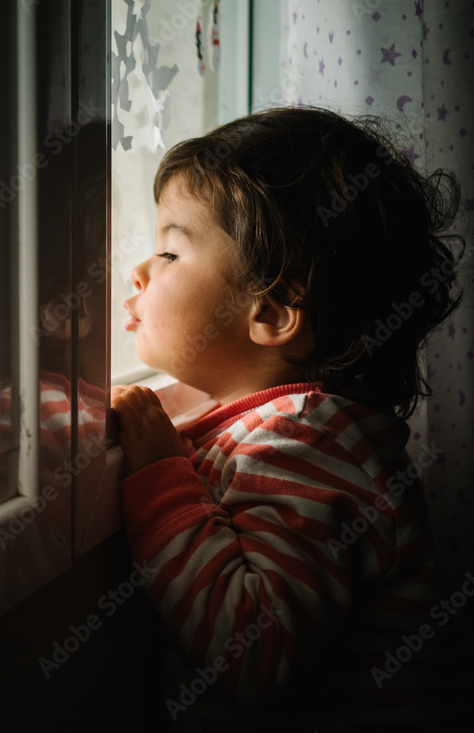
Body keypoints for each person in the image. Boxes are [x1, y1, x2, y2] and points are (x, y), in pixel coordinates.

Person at [111, 106, 472, 731]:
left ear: (274, 313)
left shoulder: (307, 440)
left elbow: (252, 652)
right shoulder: (274, 422)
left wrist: (163, 473)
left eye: (170, 253)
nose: (140, 270)